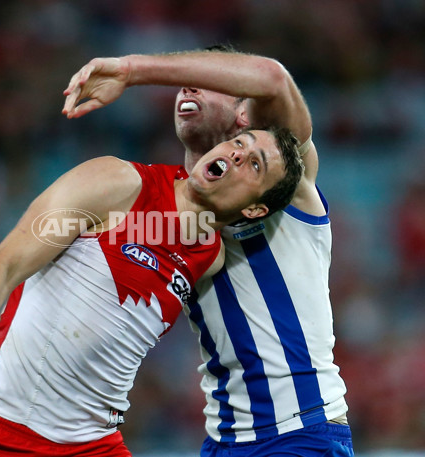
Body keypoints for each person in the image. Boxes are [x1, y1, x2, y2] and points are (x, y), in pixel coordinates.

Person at [0, 127, 304, 456]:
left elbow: (90, 317)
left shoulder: (211, 256)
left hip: (91, 445)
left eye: (255, 163)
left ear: (255, 210)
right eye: (239, 142)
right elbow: (5, 265)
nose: (236, 154)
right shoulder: (117, 184)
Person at [62, 46, 354, 456]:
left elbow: (271, 78)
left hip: (300, 434)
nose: (189, 84)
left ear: (246, 114)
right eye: (186, 81)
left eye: (213, 81)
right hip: (223, 440)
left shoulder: (284, 177)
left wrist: (132, 71)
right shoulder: (169, 208)